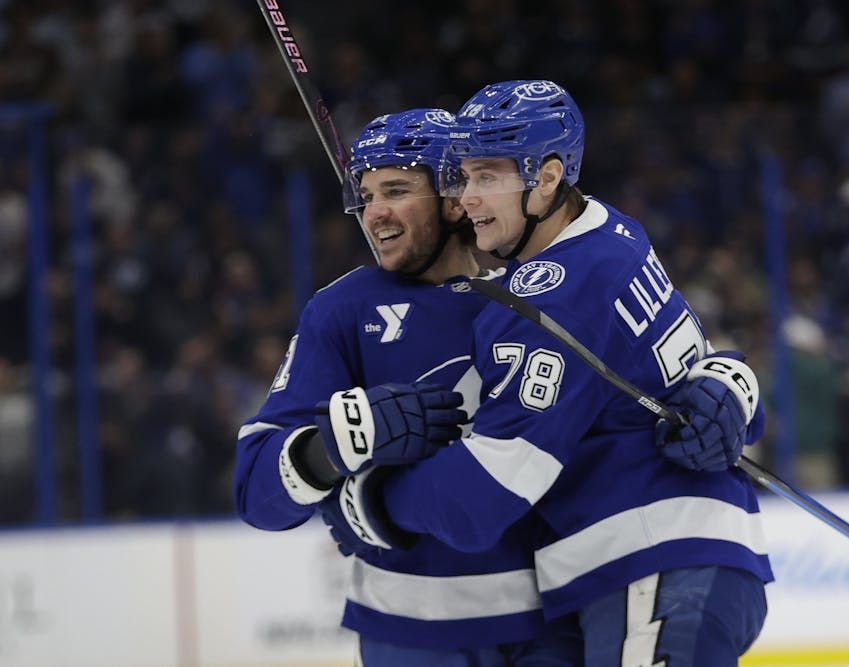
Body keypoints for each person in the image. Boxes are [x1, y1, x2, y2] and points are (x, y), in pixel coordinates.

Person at [321, 81, 773, 667]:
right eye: (462, 178)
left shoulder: (548, 297)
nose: (469, 200)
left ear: (550, 177)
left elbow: (484, 497)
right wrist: (737, 384)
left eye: (488, 178)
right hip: (687, 559)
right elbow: (707, 388)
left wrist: (377, 501)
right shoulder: (613, 232)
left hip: (655, 563)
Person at [233, 108, 584, 666]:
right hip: (410, 634)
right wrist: (336, 446)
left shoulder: (543, 289)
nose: (374, 213)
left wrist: (720, 380)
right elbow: (255, 492)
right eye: (367, 196)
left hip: (556, 623)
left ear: (455, 197)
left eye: (396, 190)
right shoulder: (342, 309)